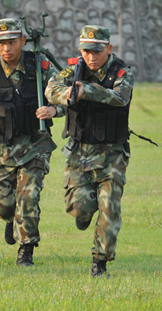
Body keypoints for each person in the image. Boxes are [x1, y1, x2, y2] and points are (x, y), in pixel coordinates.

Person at [0, 18, 63, 267]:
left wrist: (53, 110)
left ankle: (26, 249)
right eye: (1, 43)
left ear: (23, 41)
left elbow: (64, 95)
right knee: (5, 205)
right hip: (1, 149)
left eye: (11, 42)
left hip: (35, 145)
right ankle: (10, 220)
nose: (6, 48)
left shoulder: (41, 67)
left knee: (29, 197)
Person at [45, 25, 133, 278]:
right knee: (79, 208)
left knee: (109, 209)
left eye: (97, 51)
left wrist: (87, 90)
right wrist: (68, 94)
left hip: (112, 155)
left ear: (109, 49)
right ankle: (82, 214)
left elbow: (120, 97)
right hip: (78, 153)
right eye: (86, 51)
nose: (91, 57)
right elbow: (51, 90)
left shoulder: (122, 72)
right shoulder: (73, 70)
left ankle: (100, 263)